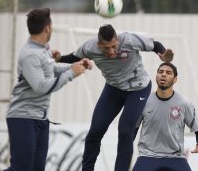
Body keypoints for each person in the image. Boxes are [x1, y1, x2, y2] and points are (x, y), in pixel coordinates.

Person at [53, 24, 174, 171]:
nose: (111, 51)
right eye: (106, 48)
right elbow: (74, 57)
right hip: (113, 89)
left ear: (118, 40)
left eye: (114, 46)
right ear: (98, 45)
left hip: (138, 89)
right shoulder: (90, 47)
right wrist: (59, 58)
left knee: (125, 131)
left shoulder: (129, 39)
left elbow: (155, 45)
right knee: (95, 132)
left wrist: (163, 54)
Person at [3, 8, 92, 171]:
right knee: (21, 168)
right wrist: (71, 74)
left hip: (40, 118)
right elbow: (41, 87)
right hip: (23, 117)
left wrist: (73, 66)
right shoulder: (30, 54)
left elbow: (51, 70)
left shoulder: (43, 49)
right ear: (47, 28)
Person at [132, 62, 198, 171]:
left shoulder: (184, 103)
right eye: (160, 72)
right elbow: (133, 130)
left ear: (175, 79)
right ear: (156, 76)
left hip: (175, 157)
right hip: (147, 156)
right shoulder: (143, 101)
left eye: (168, 73)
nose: (163, 74)